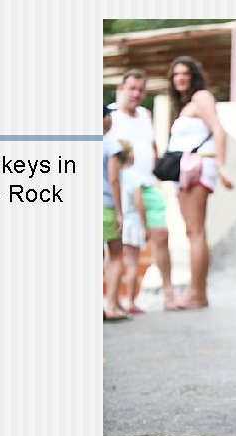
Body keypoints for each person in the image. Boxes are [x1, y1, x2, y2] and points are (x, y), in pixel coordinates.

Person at [108, 69, 180, 311]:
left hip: (147, 184)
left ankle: (168, 293)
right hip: (122, 187)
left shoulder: (145, 115)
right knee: (124, 246)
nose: (136, 94)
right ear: (121, 90)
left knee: (161, 234)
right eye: (132, 89)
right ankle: (122, 300)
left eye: (141, 90)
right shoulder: (110, 117)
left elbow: (152, 146)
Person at [166, 56, 233, 309]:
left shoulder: (201, 98)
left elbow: (219, 129)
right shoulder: (186, 104)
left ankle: (196, 293)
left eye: (185, 73)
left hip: (197, 170)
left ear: (194, 76)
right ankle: (197, 293)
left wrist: (221, 166)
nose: (180, 78)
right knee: (193, 231)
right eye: (176, 74)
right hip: (186, 173)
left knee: (195, 232)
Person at [102, 105, 128, 321]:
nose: (110, 119)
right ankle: (111, 304)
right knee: (116, 256)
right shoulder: (111, 144)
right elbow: (113, 179)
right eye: (107, 115)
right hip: (107, 207)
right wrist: (120, 211)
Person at [118, 140, 150, 314]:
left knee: (113, 260)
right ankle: (130, 301)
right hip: (133, 223)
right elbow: (139, 202)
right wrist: (145, 226)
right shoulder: (134, 175)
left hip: (119, 221)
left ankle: (114, 300)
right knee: (132, 264)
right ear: (130, 155)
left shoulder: (114, 175)